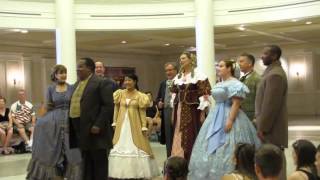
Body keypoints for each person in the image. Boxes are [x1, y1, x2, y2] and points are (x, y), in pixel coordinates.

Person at [188, 59, 260, 180]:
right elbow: (218, 100)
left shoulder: (235, 83)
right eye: (218, 66)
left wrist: (230, 120)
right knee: (208, 143)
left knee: (228, 143)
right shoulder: (220, 83)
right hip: (215, 114)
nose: (218, 68)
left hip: (230, 114)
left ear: (229, 68)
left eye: (221, 66)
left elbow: (236, 103)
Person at [27, 65, 82, 180]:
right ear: (55, 75)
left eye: (65, 72)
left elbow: (76, 104)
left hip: (70, 120)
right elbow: (47, 106)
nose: (63, 75)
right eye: (61, 73)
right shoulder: (50, 88)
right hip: (53, 121)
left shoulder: (72, 87)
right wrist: (39, 122)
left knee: (73, 151)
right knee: (52, 150)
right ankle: (56, 175)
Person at [69, 57, 114, 180]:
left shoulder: (101, 82)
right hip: (79, 128)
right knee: (86, 161)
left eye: (80, 66)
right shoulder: (76, 84)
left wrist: (98, 124)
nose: (77, 69)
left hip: (95, 130)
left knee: (99, 161)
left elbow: (108, 106)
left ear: (89, 68)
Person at [109, 74, 159, 179]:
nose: (127, 82)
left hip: (135, 125)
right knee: (119, 146)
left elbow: (142, 113)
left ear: (135, 82)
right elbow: (116, 110)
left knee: (137, 147)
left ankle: (137, 173)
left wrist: (144, 126)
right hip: (121, 125)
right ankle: (119, 173)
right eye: (126, 80)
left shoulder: (140, 96)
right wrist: (114, 122)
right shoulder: (119, 94)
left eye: (130, 80)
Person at [170, 52, 211, 162]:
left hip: (192, 110)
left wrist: (202, 112)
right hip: (179, 109)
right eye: (180, 58)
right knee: (178, 132)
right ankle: (178, 158)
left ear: (190, 60)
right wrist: (173, 109)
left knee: (191, 132)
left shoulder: (199, 75)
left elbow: (205, 94)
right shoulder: (179, 76)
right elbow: (174, 93)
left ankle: (190, 161)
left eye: (183, 58)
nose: (181, 60)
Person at [255, 45, 288, 179]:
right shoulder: (270, 71)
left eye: (265, 53)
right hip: (267, 126)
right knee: (270, 160)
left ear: (274, 56)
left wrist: (262, 127)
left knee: (274, 159)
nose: (262, 56)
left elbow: (270, 105)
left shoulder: (275, 74)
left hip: (271, 128)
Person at [157, 62, 178, 157]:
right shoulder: (163, 83)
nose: (168, 72)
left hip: (177, 110)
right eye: (166, 70)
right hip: (166, 111)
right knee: (168, 136)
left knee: (177, 135)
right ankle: (169, 159)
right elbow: (158, 98)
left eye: (170, 70)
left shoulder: (180, 81)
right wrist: (159, 103)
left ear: (176, 70)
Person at [238, 53, 261, 121]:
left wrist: (256, 117)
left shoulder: (257, 79)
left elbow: (259, 99)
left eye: (242, 61)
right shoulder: (241, 78)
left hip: (251, 116)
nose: (239, 64)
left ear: (250, 63)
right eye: (239, 61)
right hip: (241, 114)